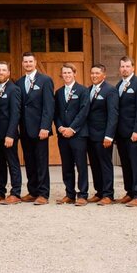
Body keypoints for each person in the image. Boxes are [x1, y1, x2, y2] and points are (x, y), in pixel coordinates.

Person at [17, 52, 55, 204]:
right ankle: (33, 191)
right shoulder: (19, 82)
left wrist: (45, 126)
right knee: (29, 161)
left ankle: (43, 193)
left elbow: (49, 106)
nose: (27, 64)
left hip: (40, 129)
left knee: (41, 161)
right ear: (22, 63)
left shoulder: (45, 80)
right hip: (25, 129)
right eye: (25, 62)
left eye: (30, 61)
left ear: (35, 62)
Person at [114, 56, 137, 207]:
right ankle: (129, 192)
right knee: (126, 164)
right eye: (122, 66)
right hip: (121, 133)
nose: (125, 69)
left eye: (127, 66)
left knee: (136, 164)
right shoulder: (119, 85)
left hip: (134, 133)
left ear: (133, 68)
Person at [54, 63, 90, 205]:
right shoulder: (58, 92)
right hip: (63, 135)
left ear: (74, 73)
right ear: (61, 75)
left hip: (78, 135)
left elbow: (83, 112)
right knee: (66, 165)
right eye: (64, 73)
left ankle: (82, 194)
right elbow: (55, 112)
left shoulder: (83, 91)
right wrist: (61, 127)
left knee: (81, 165)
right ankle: (69, 194)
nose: (67, 75)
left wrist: (72, 128)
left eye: (69, 72)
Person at [85, 63, 118, 205]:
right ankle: (99, 192)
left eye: (97, 73)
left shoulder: (110, 91)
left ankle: (108, 194)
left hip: (103, 135)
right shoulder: (88, 90)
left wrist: (109, 135)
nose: (94, 76)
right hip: (90, 135)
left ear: (104, 75)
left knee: (105, 164)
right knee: (94, 164)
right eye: (92, 73)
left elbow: (113, 114)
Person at [0, 61, 22, 204]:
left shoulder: (13, 89)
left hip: (8, 135)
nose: (1, 72)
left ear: (8, 73)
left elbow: (15, 114)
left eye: (4, 70)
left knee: (13, 163)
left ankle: (15, 193)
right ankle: (0, 192)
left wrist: (10, 134)